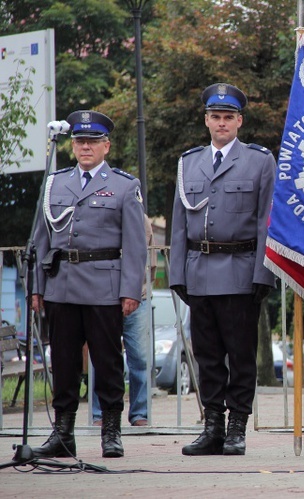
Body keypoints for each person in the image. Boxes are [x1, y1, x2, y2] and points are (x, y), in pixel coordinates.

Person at [31, 110, 147, 459]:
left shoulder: (125, 186)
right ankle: (63, 433)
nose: (85, 147)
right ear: (72, 146)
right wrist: (36, 287)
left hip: (103, 285)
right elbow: (40, 240)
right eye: (80, 141)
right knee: (64, 361)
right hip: (62, 285)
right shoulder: (55, 184)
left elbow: (136, 245)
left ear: (106, 146)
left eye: (92, 142)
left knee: (108, 362)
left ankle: (111, 432)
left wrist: (130, 290)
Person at [169, 82, 276, 456]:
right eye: (215, 117)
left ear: (239, 121)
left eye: (228, 117)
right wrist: (177, 273)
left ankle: (236, 428)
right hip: (199, 270)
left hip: (240, 269)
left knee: (241, 355)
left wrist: (265, 273)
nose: (222, 123)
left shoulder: (259, 161)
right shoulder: (189, 162)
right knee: (208, 356)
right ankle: (212, 426)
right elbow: (179, 222)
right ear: (206, 120)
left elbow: (266, 222)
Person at [92, 214, 156, 427]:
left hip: (138, 297)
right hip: (104, 296)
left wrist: (143, 289)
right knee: (102, 357)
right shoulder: (97, 216)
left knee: (140, 358)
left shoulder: (141, 218)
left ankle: (139, 413)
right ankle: (99, 412)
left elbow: (150, 258)